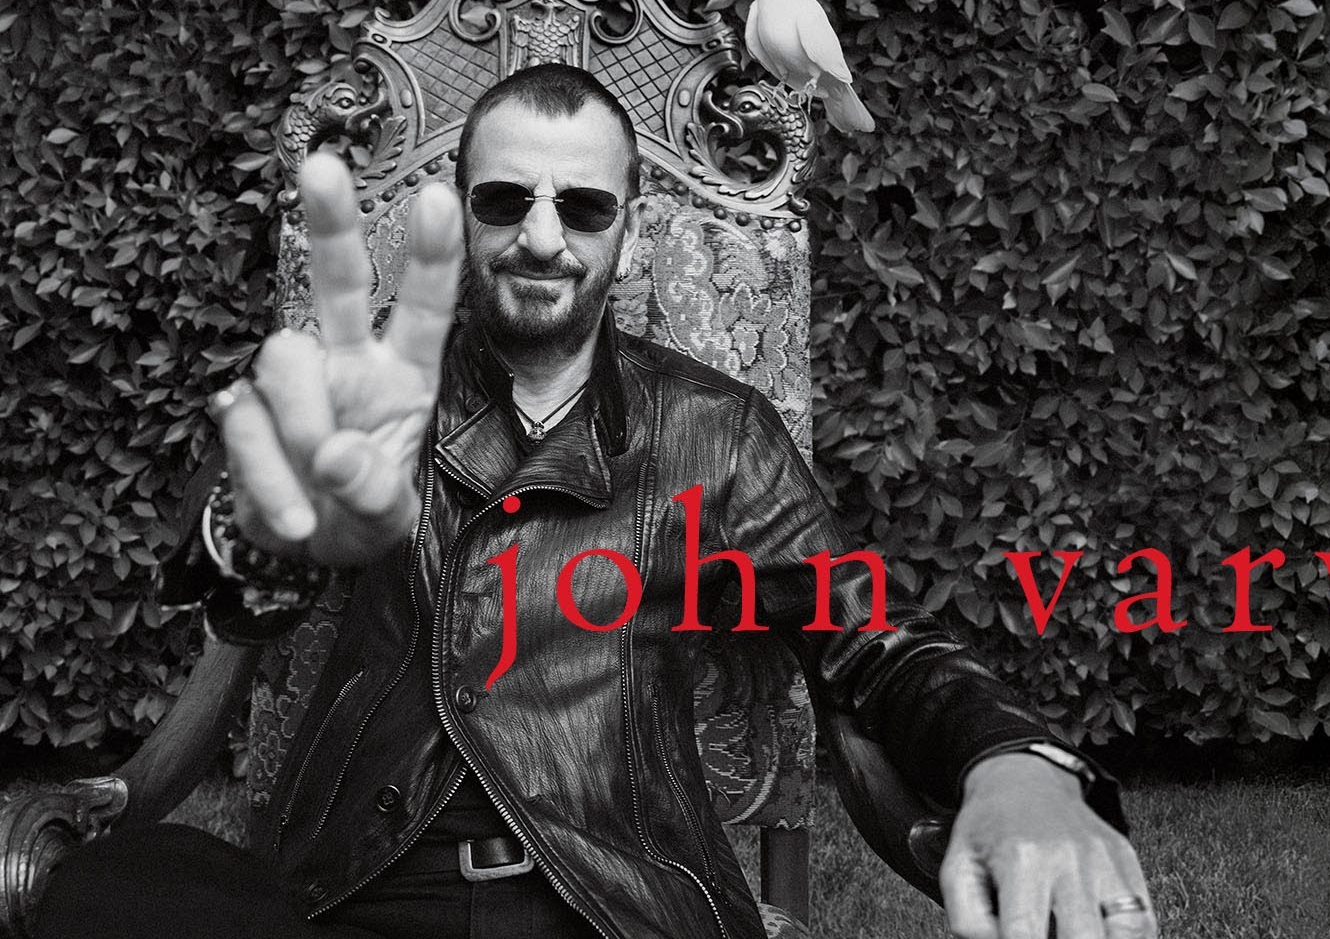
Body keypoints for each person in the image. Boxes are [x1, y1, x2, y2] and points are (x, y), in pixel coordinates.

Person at [32, 65, 1156, 939]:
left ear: (630, 228)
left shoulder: (714, 432)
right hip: (353, 894)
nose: (541, 235)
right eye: (504, 198)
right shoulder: (362, 392)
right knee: (119, 890)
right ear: (460, 212)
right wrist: (266, 538)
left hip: (613, 900)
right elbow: (225, 557)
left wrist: (1015, 762)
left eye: (581, 205)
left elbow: (870, 643)